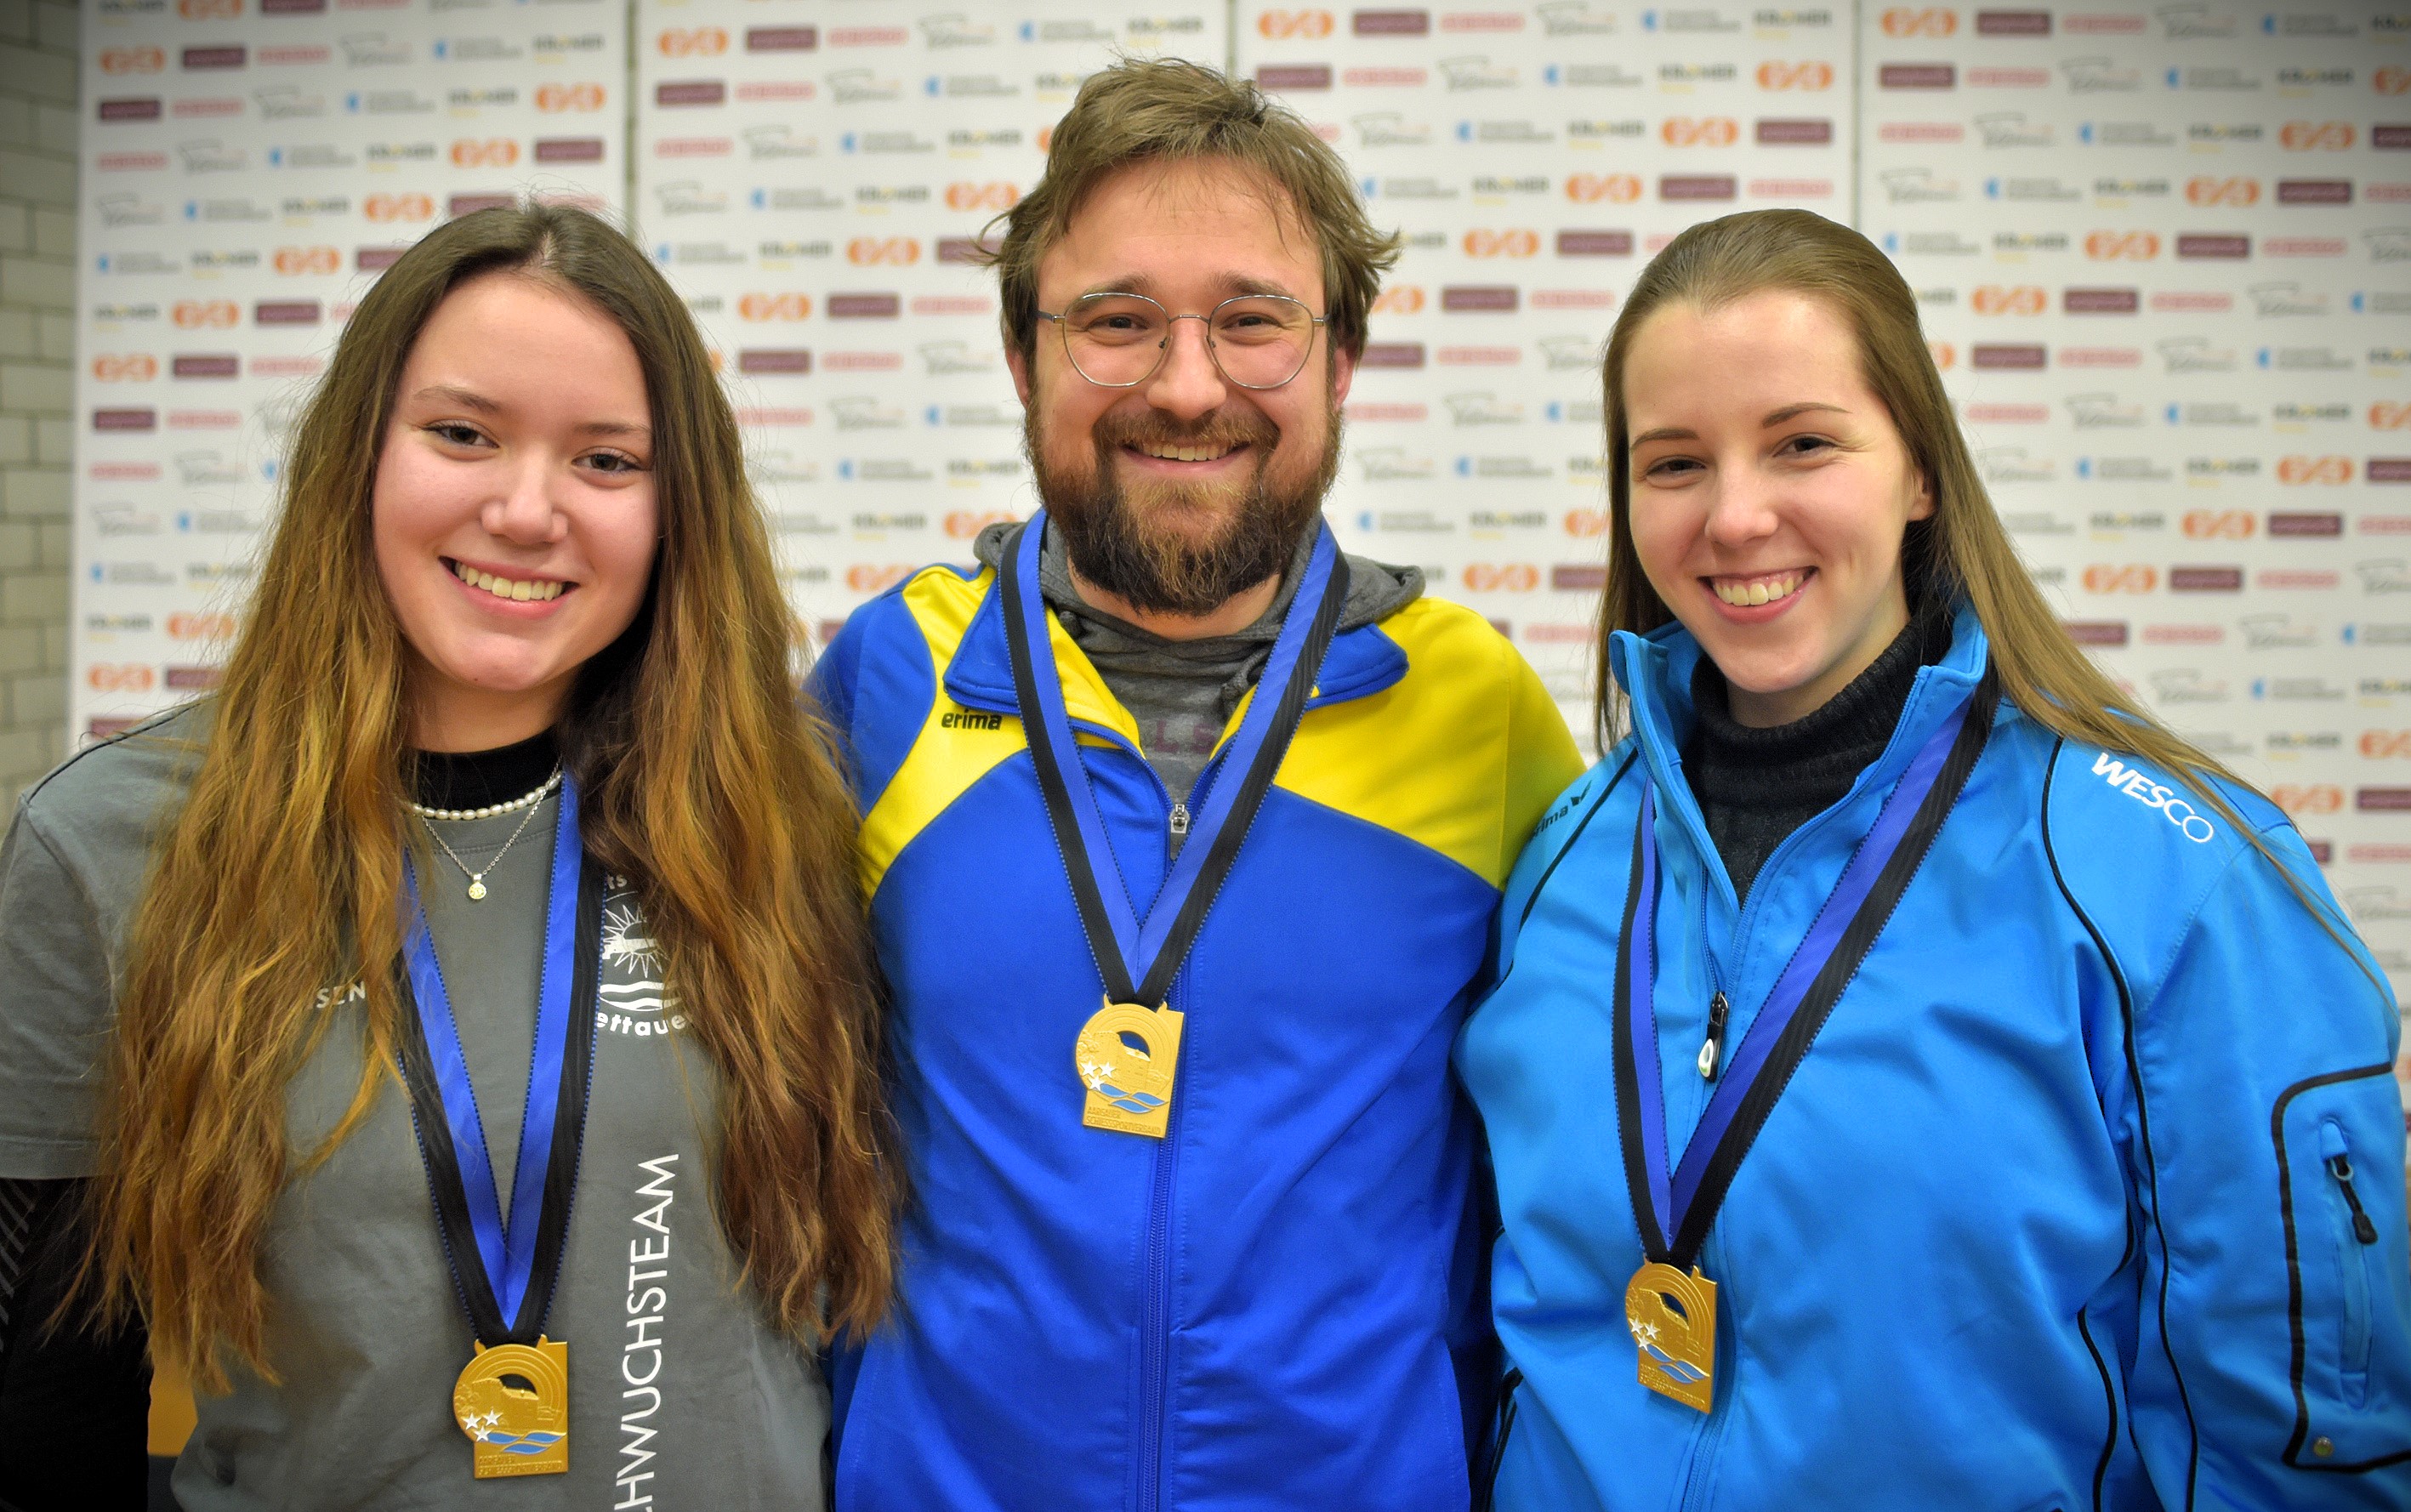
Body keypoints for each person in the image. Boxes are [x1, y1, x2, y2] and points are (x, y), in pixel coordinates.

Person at [1456, 207, 2411, 1510]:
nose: (1736, 515)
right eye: (1674, 462)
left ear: (1919, 470)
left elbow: (2292, 1453)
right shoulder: (1564, 863)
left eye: (1802, 443)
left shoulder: (2170, 878)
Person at [0, 204, 897, 1509]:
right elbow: (46, 1409)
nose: (526, 510)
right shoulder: (115, 845)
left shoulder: (780, 811)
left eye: (605, 459)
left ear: (676, 511)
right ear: (359, 453)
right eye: (463, 434)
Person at [809, 58, 1584, 1510]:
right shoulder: (884, 680)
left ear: (1340, 363)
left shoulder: (1476, 710)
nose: (1185, 384)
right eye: (1117, 321)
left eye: (1252, 322)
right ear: (1022, 357)